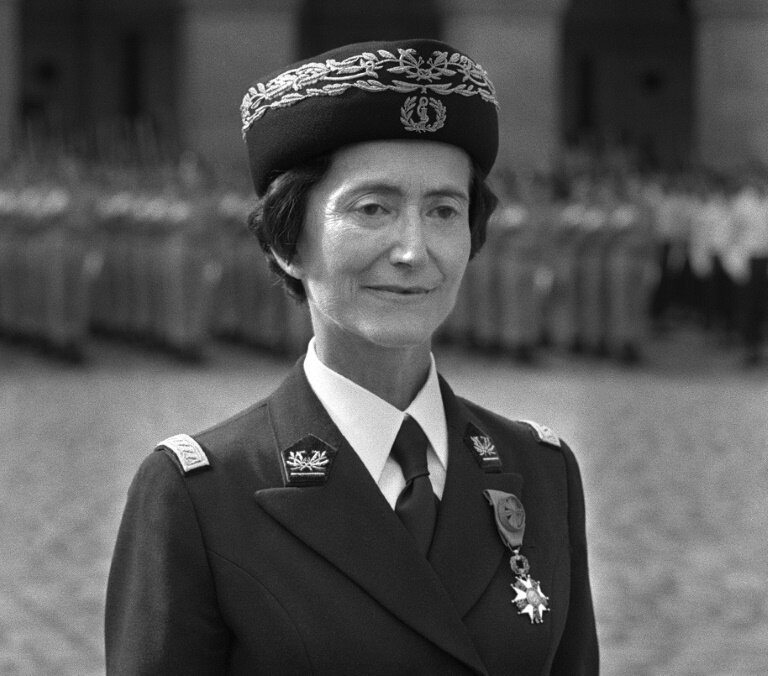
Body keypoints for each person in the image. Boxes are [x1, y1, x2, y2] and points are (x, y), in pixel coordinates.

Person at [105, 38, 599, 675]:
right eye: (373, 209)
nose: (413, 250)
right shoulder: (201, 495)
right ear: (287, 243)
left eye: (444, 210)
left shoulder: (541, 472)